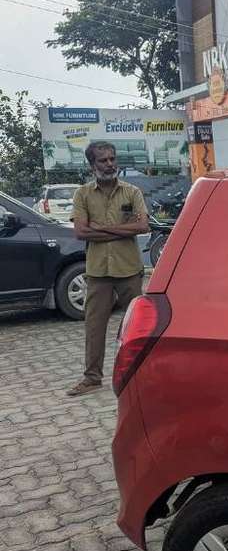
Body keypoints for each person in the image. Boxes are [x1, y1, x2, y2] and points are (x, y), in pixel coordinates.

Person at [67, 141, 149, 397]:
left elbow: (143, 227)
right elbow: (81, 232)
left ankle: (144, 373)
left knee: (138, 326)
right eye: (103, 160)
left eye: (112, 159)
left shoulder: (132, 192)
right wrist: (121, 231)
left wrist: (99, 228)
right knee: (94, 326)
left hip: (129, 270)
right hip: (98, 272)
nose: (110, 164)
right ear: (92, 165)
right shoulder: (83, 194)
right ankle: (92, 378)